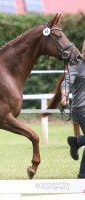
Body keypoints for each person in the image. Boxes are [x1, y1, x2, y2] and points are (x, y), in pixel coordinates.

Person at [61, 40, 85, 178]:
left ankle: (77, 142)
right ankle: (82, 176)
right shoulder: (76, 65)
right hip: (81, 109)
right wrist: (64, 95)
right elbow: (66, 82)